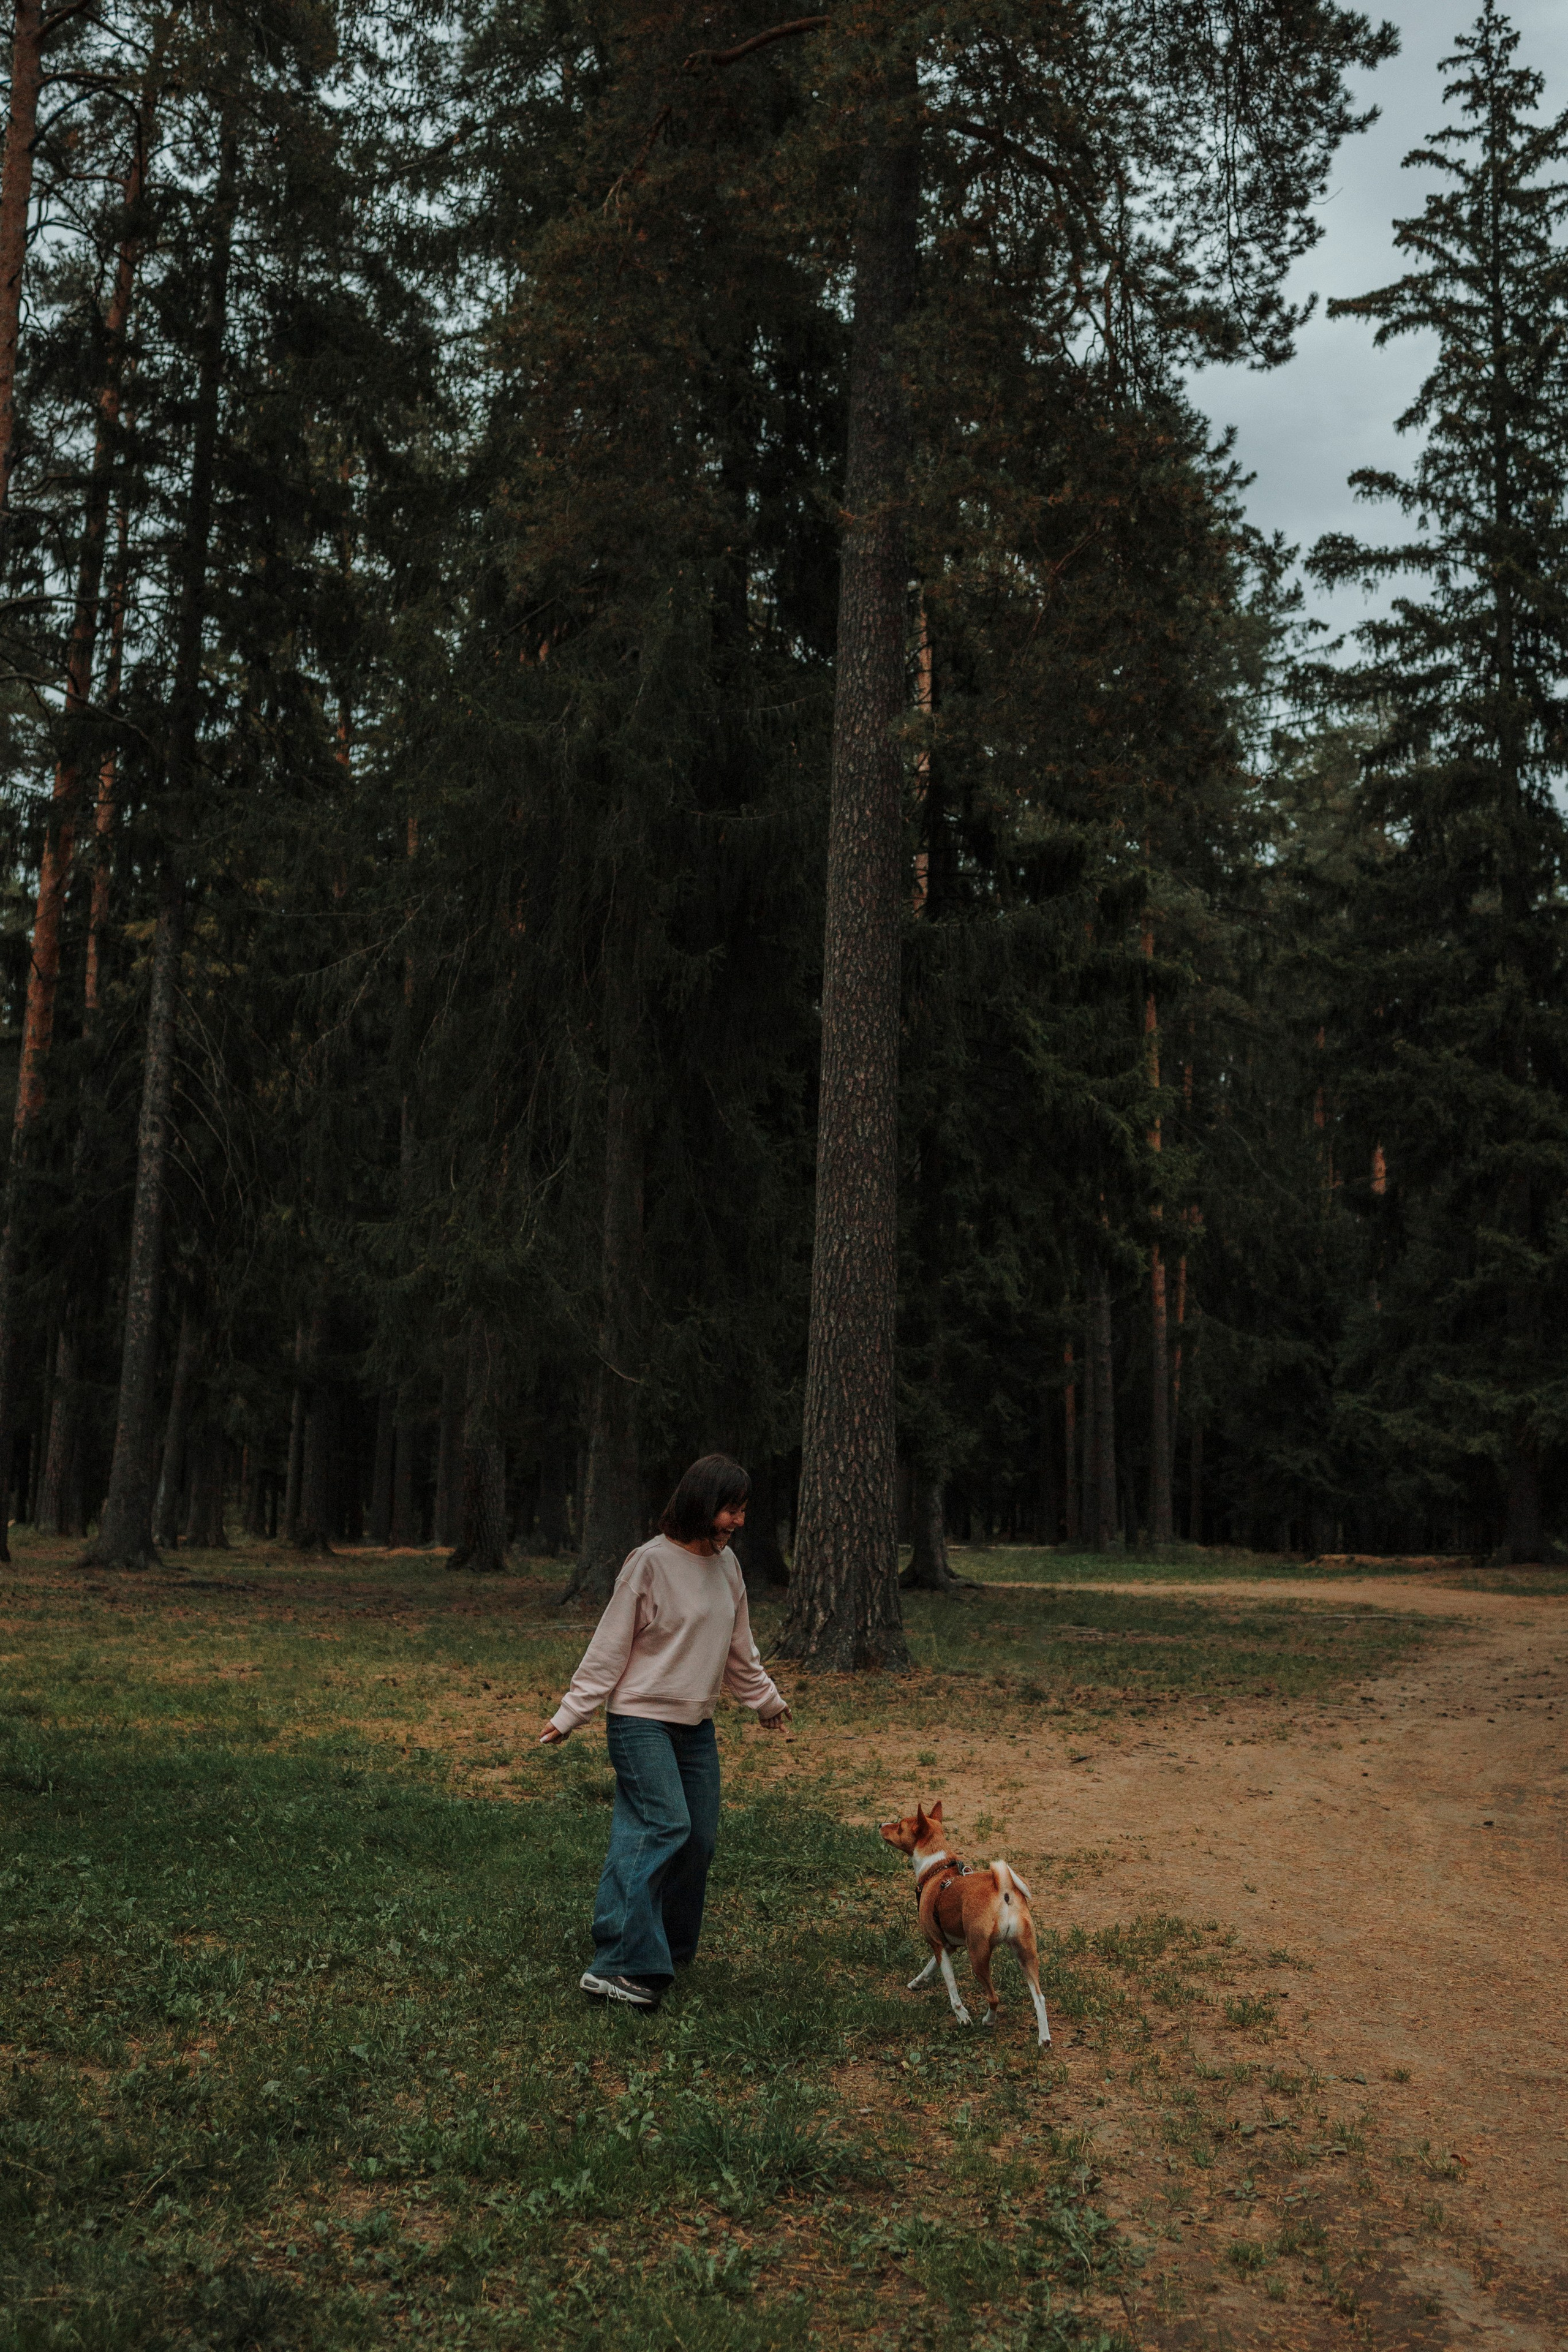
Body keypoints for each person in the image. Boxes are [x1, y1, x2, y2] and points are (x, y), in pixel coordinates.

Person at [540, 1452, 791, 2009]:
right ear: (702, 1504)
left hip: (695, 1726)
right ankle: (618, 1963)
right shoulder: (648, 1563)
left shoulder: (728, 1568)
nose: (739, 1522)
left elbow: (737, 1647)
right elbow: (610, 1646)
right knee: (662, 1826)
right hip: (639, 1722)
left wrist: (764, 1701)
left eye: (744, 1510)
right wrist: (570, 1713)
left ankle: (667, 1952)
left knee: (697, 1840)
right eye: (731, 1509)